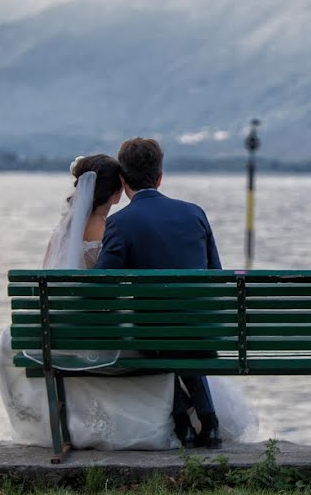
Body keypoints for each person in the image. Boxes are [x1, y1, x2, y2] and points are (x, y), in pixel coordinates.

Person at [0, 153, 257, 451]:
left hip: (64, 334)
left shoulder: (63, 233)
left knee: (163, 331)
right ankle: (197, 419)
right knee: (170, 330)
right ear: (119, 187)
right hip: (114, 338)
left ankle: (187, 418)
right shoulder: (116, 228)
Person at [96, 137, 224, 448]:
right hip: (202, 335)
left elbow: (97, 290)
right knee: (179, 326)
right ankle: (207, 418)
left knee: (156, 331)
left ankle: (182, 419)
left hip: (154, 339)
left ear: (123, 181)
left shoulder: (119, 224)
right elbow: (216, 275)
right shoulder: (195, 213)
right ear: (160, 176)